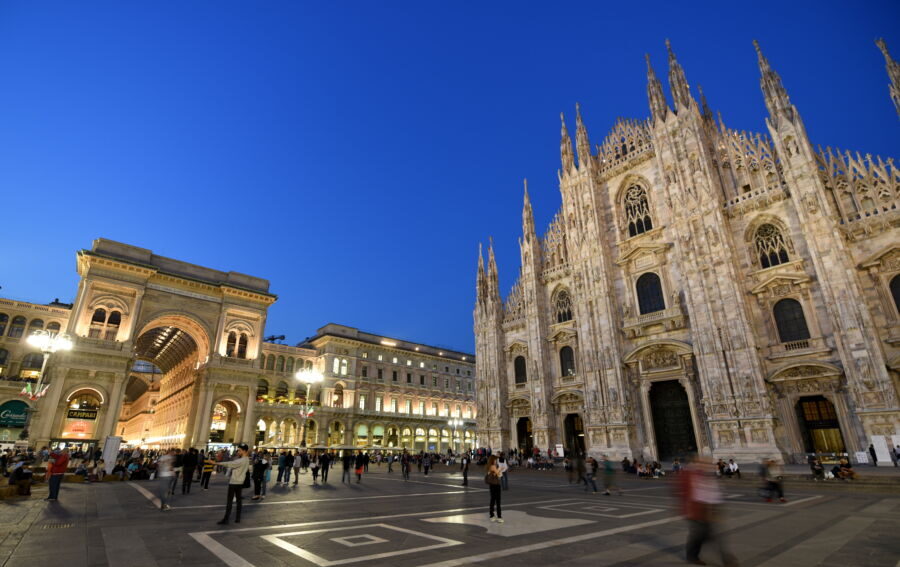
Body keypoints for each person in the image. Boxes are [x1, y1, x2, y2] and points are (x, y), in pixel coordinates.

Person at [680, 456, 736, 566]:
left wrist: (718, 510)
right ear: (698, 464)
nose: (707, 466)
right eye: (704, 464)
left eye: (708, 464)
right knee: (701, 535)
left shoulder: (710, 476)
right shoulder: (690, 475)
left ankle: (727, 559)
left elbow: (716, 493)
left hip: (709, 510)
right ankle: (693, 555)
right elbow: (684, 493)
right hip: (695, 511)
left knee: (711, 535)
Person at [217, 444, 250, 525]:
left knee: (229, 501)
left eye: (239, 450)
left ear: (244, 451)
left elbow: (230, 464)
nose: (238, 452)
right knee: (239, 501)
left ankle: (226, 519)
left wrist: (216, 463)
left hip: (234, 482)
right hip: (240, 482)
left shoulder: (241, 460)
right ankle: (238, 518)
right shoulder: (247, 459)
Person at [485, 455, 503, 523]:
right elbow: (499, 474)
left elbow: (498, 475)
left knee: (493, 500)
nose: (496, 461)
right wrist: (500, 469)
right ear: (493, 460)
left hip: (493, 485)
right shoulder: (493, 466)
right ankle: (499, 516)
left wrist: (498, 471)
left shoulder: (491, 466)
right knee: (497, 501)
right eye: (495, 460)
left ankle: (492, 515)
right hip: (495, 485)